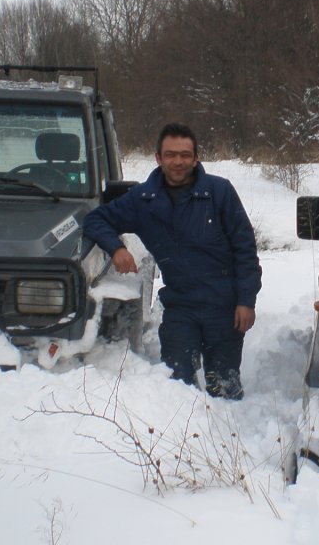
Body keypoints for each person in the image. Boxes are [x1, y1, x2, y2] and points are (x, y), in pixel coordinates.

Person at [83, 123, 262, 399]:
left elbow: (245, 250)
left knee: (224, 385)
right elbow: (95, 219)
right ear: (158, 158)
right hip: (181, 307)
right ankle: (184, 438)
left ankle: (227, 434)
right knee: (177, 387)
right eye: (170, 155)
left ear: (195, 158)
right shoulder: (144, 199)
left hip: (223, 307)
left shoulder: (219, 192)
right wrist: (117, 248)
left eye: (184, 155)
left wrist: (246, 301)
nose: (178, 161)